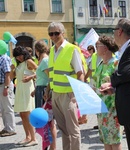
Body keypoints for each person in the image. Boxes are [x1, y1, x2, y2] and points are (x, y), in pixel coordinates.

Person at [100, 18, 130, 150]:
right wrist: (114, 89)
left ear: (120, 31)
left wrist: (110, 82)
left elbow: (123, 74)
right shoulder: (128, 48)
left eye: (114, 30)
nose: (114, 34)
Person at [45, 22, 84, 150]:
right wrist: (48, 90)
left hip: (69, 94)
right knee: (63, 130)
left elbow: (80, 73)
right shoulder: (51, 50)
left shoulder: (72, 49)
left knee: (73, 130)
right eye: (51, 34)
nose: (54, 36)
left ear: (63, 33)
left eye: (57, 33)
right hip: (55, 94)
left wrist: (77, 96)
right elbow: (52, 74)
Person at [92, 35, 123, 150]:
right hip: (101, 109)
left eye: (97, 45)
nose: (95, 48)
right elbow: (95, 83)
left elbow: (121, 85)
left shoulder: (115, 63)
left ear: (105, 48)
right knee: (105, 139)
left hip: (113, 109)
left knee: (114, 140)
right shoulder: (101, 64)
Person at [31, 40, 57, 150]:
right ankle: (46, 144)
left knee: (49, 121)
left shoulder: (45, 60)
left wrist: (46, 91)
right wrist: (36, 89)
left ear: (36, 50)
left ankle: (53, 147)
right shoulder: (42, 60)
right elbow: (43, 77)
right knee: (44, 121)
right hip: (40, 90)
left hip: (45, 91)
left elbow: (50, 77)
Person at [12, 46, 38, 147]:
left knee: (27, 113)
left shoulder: (28, 61)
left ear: (24, 54)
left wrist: (31, 77)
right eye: (16, 57)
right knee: (22, 114)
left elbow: (39, 71)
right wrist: (12, 69)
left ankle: (34, 138)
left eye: (20, 56)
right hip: (20, 89)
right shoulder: (19, 64)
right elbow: (12, 76)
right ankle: (28, 136)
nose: (18, 58)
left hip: (27, 89)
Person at [0, 54, 16, 137]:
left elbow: (8, 74)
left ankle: (11, 129)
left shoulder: (4, 58)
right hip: (2, 85)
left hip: (4, 85)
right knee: (3, 108)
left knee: (8, 108)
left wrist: (6, 87)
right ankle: (6, 127)